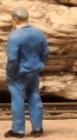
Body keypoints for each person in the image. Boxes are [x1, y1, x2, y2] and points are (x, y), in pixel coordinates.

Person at [5, 7, 50, 138]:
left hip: (19, 73)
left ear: (15, 20)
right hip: (34, 71)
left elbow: (13, 58)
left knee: (17, 98)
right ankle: (38, 128)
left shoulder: (15, 36)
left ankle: (18, 130)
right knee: (34, 95)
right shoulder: (38, 33)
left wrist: (12, 71)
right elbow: (45, 52)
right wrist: (41, 64)